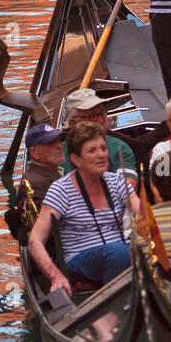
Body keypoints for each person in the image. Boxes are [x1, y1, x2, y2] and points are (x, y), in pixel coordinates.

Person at [29, 122, 139, 292]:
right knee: (117, 252)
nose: (101, 155)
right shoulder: (61, 190)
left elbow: (144, 216)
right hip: (79, 261)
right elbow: (35, 241)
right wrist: (55, 275)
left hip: (120, 254)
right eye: (92, 150)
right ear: (75, 159)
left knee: (129, 251)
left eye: (103, 148)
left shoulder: (117, 182)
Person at [61, 88, 138, 188]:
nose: (101, 120)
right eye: (92, 116)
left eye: (101, 114)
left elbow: (129, 187)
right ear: (73, 123)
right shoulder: (58, 153)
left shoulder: (119, 148)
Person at [22, 123, 65, 209]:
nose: (60, 146)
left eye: (59, 141)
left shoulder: (50, 175)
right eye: (51, 143)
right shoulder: (37, 184)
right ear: (34, 152)